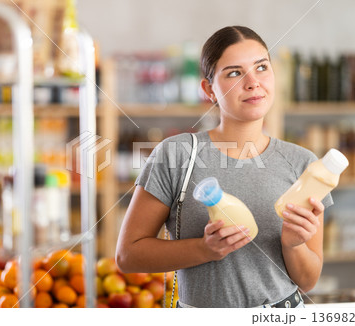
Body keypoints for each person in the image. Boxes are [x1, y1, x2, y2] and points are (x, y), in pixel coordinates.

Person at [115, 26, 332, 308]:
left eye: (261, 67)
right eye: (234, 72)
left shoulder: (304, 163)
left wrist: (294, 244)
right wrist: (205, 249)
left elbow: (308, 281)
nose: (253, 82)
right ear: (209, 90)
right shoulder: (176, 154)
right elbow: (128, 256)